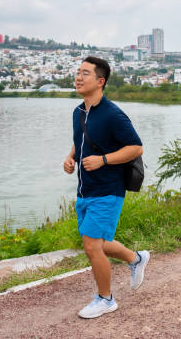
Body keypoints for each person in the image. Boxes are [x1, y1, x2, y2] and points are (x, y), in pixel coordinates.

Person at [63, 56, 150, 319]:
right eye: (78, 72)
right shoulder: (79, 112)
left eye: (85, 73)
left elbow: (136, 147)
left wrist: (103, 160)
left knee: (92, 245)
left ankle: (106, 299)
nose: (78, 77)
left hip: (108, 190)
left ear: (100, 81)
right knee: (100, 243)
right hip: (84, 191)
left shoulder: (113, 114)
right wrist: (71, 158)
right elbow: (81, 142)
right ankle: (137, 259)